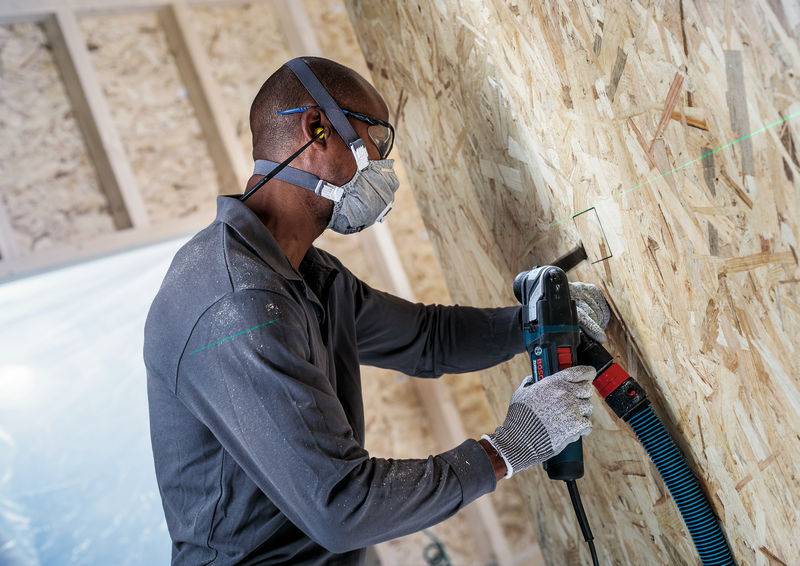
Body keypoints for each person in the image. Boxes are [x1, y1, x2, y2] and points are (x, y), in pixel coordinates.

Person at [143, 56, 610, 565]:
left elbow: (429, 338)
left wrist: (535, 323)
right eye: (378, 142)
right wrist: (508, 450)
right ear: (317, 129)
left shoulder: (307, 277)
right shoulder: (237, 305)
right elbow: (343, 508)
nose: (385, 168)